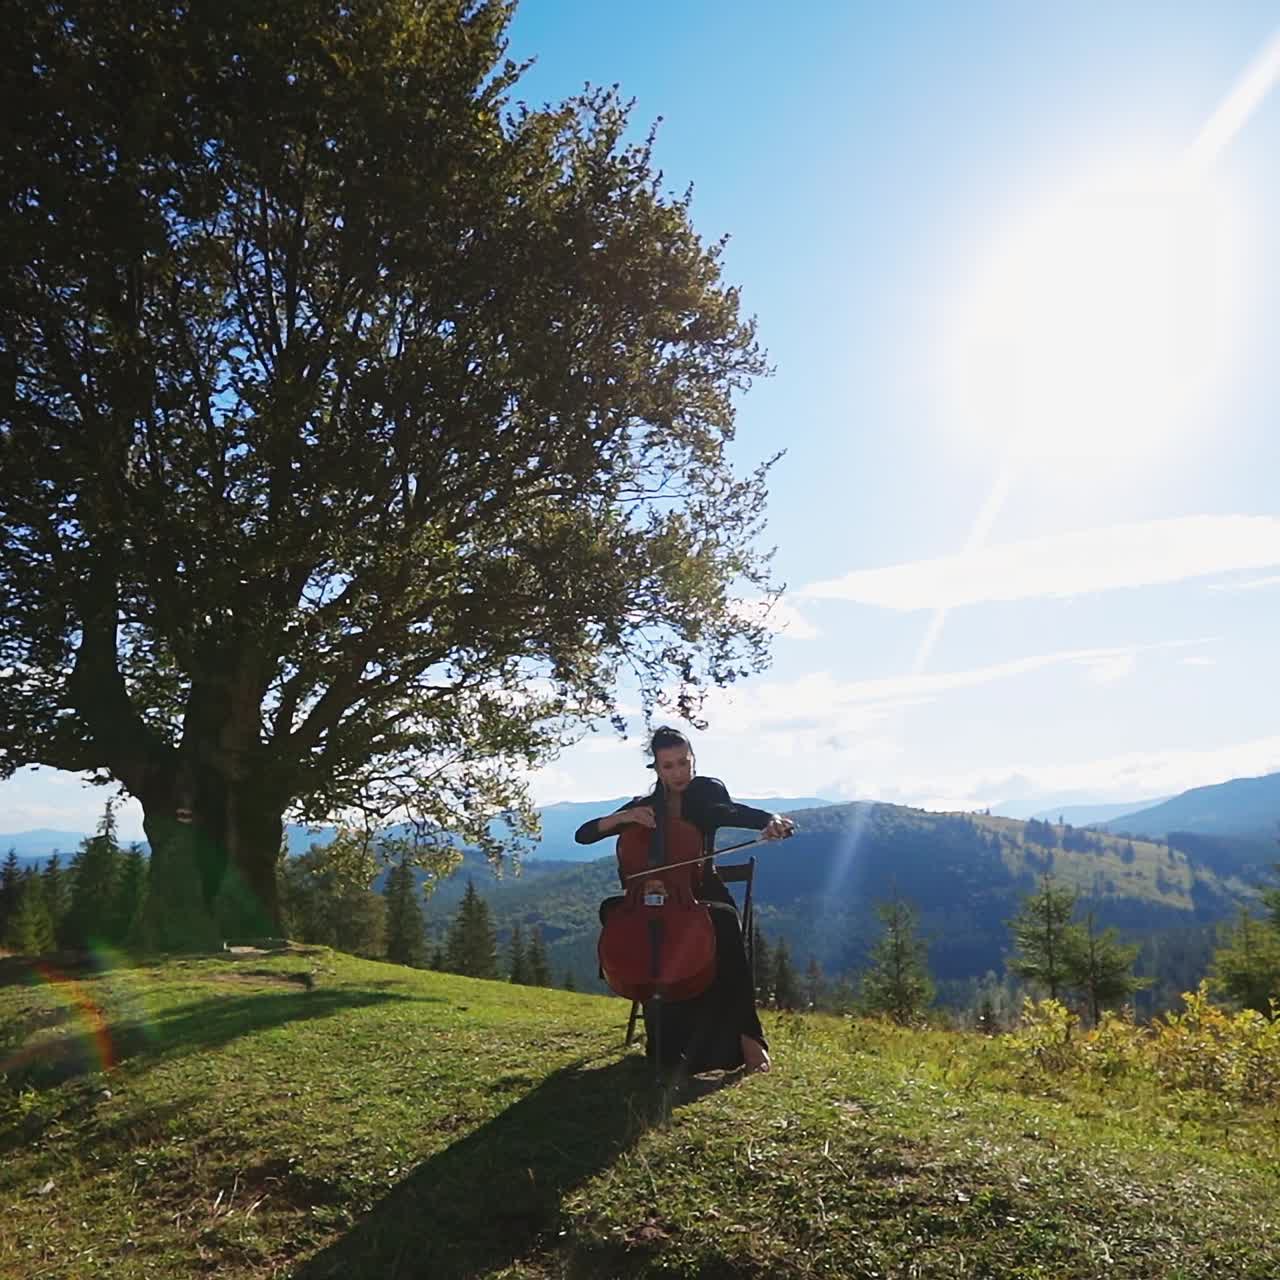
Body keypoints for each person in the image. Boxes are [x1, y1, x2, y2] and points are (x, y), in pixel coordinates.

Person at [577, 726, 794, 1076]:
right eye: (668, 766)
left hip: (703, 891)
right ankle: (662, 1032)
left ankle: (749, 1039)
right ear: (657, 769)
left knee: (723, 921)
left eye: (684, 763)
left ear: (693, 760)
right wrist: (623, 818)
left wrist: (769, 820)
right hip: (650, 898)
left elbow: (733, 812)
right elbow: (583, 835)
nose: (678, 773)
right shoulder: (644, 807)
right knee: (614, 912)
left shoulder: (707, 794)